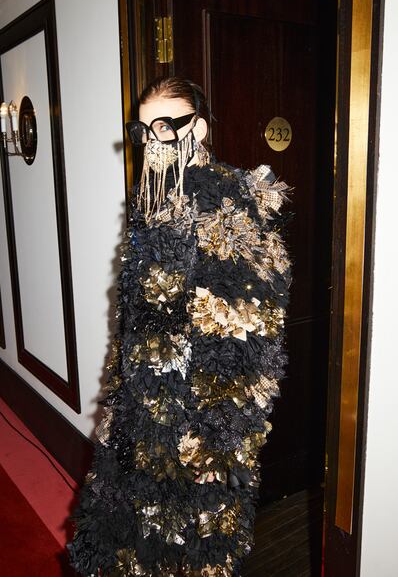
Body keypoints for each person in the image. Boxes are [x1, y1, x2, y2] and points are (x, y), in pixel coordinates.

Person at [66, 76, 293, 577]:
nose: (153, 140)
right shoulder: (156, 204)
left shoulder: (229, 209)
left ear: (201, 130)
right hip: (144, 412)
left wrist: (211, 443)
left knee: (184, 552)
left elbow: (251, 342)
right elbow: (141, 323)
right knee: (129, 542)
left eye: (167, 127)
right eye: (144, 130)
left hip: (197, 430)